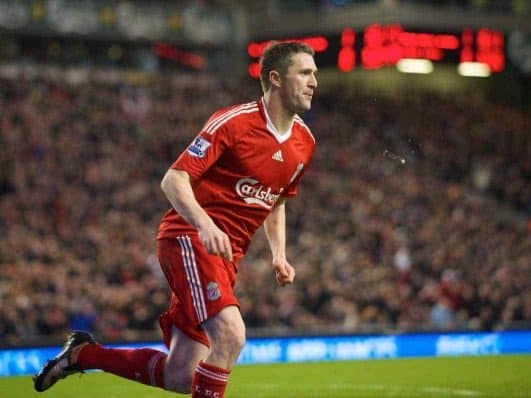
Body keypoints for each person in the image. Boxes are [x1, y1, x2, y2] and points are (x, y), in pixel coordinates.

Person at [33, 41, 318, 397]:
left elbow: (276, 202)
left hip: (225, 257)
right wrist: (205, 223)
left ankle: (82, 354)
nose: (314, 82)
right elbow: (174, 179)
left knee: (181, 376)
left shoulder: (304, 142)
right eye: (305, 73)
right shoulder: (234, 123)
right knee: (231, 335)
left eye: (315, 74)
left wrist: (279, 254)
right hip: (189, 236)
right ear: (276, 79)